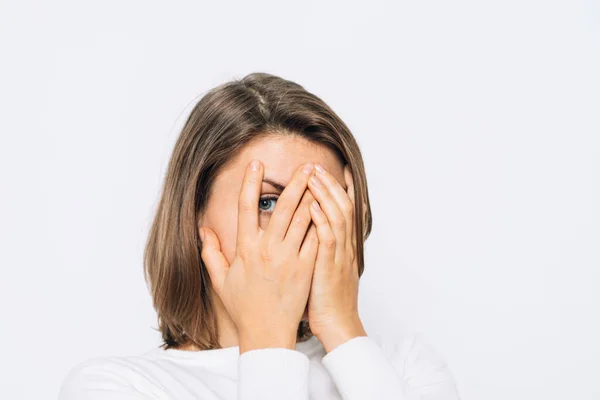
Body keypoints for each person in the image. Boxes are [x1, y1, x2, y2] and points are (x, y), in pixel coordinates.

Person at [58, 72, 461, 399]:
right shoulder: (117, 387)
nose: (301, 227)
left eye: (324, 202)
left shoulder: (404, 366)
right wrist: (268, 339)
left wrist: (342, 327)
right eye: (268, 203)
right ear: (194, 213)